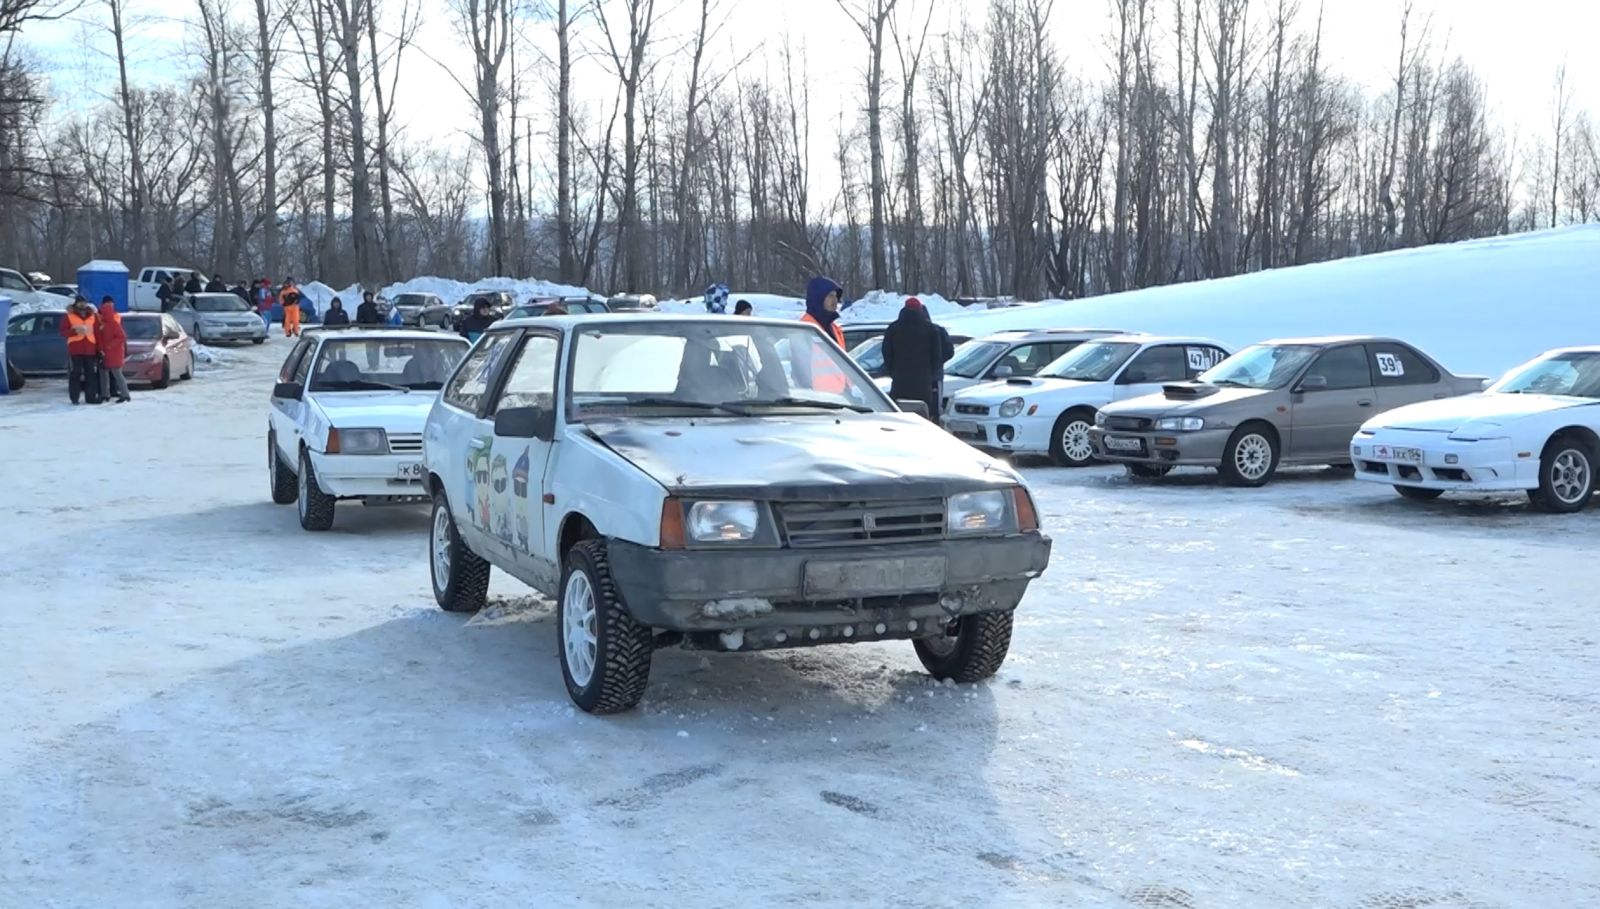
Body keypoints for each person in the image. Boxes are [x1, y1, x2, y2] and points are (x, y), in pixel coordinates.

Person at [880, 297, 942, 419]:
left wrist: (892, 370)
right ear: (920, 310)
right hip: (923, 385)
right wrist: (930, 374)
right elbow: (937, 357)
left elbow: (886, 353)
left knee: (899, 419)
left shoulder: (893, 328)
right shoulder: (931, 329)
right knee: (922, 420)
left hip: (899, 384)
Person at [59, 296, 101, 404]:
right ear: (76, 304)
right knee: (75, 374)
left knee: (91, 374)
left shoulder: (93, 315)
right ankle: (74, 398)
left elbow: (97, 333)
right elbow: (63, 331)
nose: (82, 304)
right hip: (76, 349)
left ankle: (91, 398)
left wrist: (99, 349)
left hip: (90, 348)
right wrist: (75, 332)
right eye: (80, 303)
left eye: (84, 302)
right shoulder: (69, 316)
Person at [97, 297, 131, 404]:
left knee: (117, 374)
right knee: (104, 373)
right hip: (106, 353)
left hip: (114, 353)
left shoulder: (112, 323)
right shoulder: (104, 324)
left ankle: (125, 394)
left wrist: (109, 346)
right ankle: (105, 394)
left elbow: (121, 337)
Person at [800, 276, 846, 347]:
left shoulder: (835, 329)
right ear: (818, 298)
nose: (835, 300)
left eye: (836, 296)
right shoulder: (805, 328)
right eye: (831, 296)